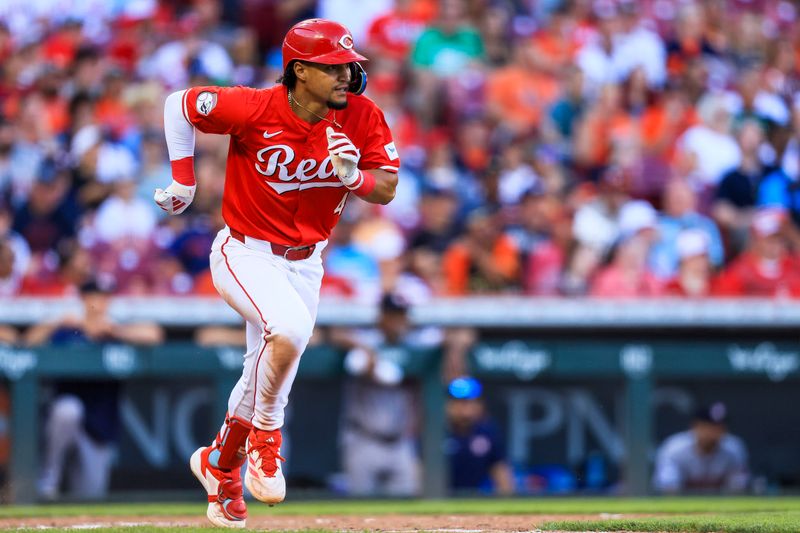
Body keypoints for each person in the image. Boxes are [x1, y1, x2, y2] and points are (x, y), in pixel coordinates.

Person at [154, 19, 399, 528]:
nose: (346, 75)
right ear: (300, 70)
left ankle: (219, 465)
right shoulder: (256, 106)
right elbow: (179, 104)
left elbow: (388, 187)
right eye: (333, 67)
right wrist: (183, 181)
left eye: (349, 66)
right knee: (286, 333)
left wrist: (355, 177)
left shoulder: (362, 115)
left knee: (265, 365)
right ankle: (267, 438)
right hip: (245, 252)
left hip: (307, 262)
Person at [26, 280, 163, 501]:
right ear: (83, 299)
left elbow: (154, 335)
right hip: (66, 420)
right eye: (94, 296)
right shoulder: (69, 330)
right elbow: (29, 343)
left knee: (91, 496)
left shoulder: (115, 331)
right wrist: (58, 322)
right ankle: (49, 475)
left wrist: (116, 331)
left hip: (98, 427)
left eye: (104, 297)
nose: (99, 302)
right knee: (68, 410)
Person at [333, 292, 435, 496]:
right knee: (358, 506)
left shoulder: (416, 346)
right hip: (364, 438)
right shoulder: (367, 341)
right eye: (392, 315)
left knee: (406, 505)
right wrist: (366, 352)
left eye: (401, 315)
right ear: (381, 316)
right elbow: (336, 334)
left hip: (400, 441)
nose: (397, 321)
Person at [653, 402, 750, 494]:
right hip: (683, 504)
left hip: (720, 505)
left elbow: (738, 489)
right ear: (695, 427)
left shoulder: (733, 448)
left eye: (720, 427)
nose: (714, 432)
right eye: (709, 426)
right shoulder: (675, 448)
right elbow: (668, 488)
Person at [444, 376, 514, 495]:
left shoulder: (487, 431)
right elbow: (419, 472)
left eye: (470, 402)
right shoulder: (435, 431)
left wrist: (507, 499)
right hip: (439, 496)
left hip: (477, 497)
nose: (465, 409)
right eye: (460, 403)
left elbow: (500, 469)